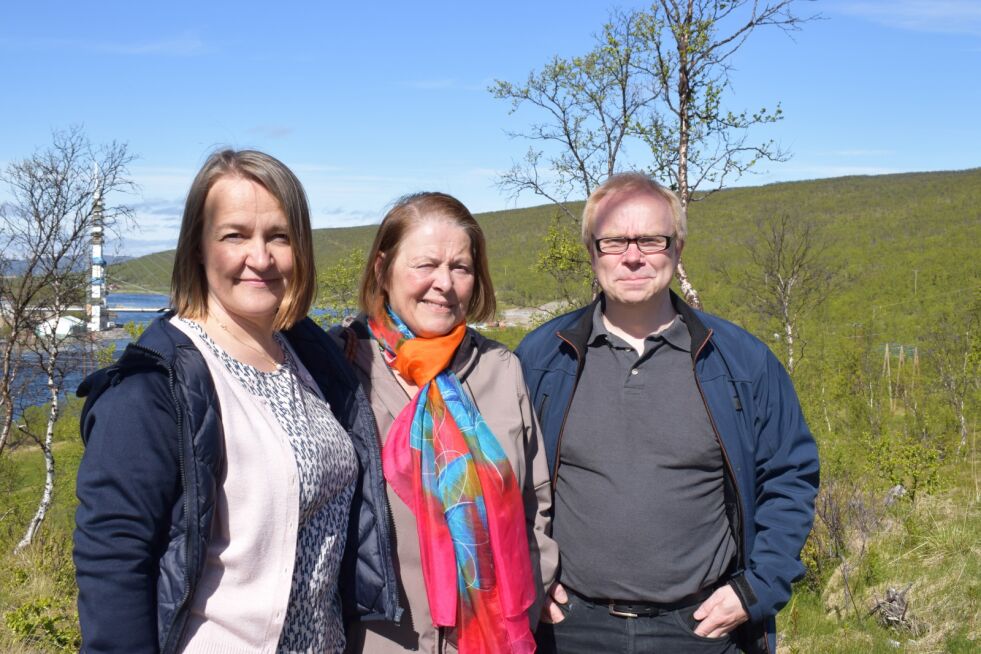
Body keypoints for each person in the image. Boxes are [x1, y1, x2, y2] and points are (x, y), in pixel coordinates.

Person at [73, 149, 398, 653]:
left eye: (279, 236)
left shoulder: (309, 357)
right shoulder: (155, 387)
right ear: (198, 248)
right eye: (235, 235)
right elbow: (113, 560)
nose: (261, 258)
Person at [515, 173, 819, 654]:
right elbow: (505, 484)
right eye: (614, 241)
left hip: (701, 629)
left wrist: (758, 588)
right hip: (570, 628)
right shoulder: (542, 358)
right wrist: (527, 574)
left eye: (651, 240)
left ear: (676, 249)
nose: (632, 256)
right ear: (592, 252)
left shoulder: (739, 361)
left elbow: (790, 475)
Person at [332, 192, 558, 654]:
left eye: (461, 267)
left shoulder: (500, 368)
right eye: (425, 265)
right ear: (382, 269)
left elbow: (535, 502)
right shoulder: (339, 366)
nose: (445, 284)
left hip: (496, 639)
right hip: (380, 642)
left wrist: (532, 599)